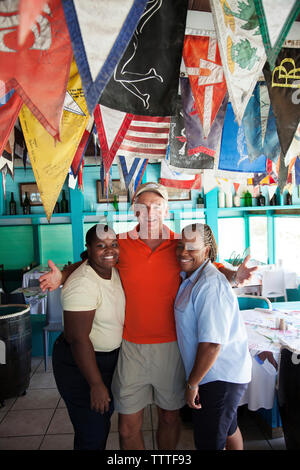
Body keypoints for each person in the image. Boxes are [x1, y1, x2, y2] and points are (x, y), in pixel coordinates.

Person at [40, 182, 256, 450]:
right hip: (131, 347)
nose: (150, 212)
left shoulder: (180, 244)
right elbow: (88, 262)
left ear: (166, 209)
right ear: (135, 210)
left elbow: (208, 264)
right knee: (128, 424)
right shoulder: (121, 244)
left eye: (157, 206)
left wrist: (234, 275)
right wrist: (61, 275)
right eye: (143, 206)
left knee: (169, 417)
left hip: (172, 348)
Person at [174, 223, 252, 450]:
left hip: (218, 377)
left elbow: (211, 344)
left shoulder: (210, 284)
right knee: (228, 429)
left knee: (209, 441)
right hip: (213, 374)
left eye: (191, 247)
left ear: (207, 251)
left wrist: (192, 383)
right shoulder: (193, 277)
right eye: (180, 245)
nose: (183, 252)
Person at [51, 224, 125, 450]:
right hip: (80, 364)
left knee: (99, 424)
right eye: (101, 246)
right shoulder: (83, 283)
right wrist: (96, 384)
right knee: (92, 432)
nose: (109, 250)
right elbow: (78, 339)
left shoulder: (112, 269)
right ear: (89, 249)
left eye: (113, 244)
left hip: (107, 360)